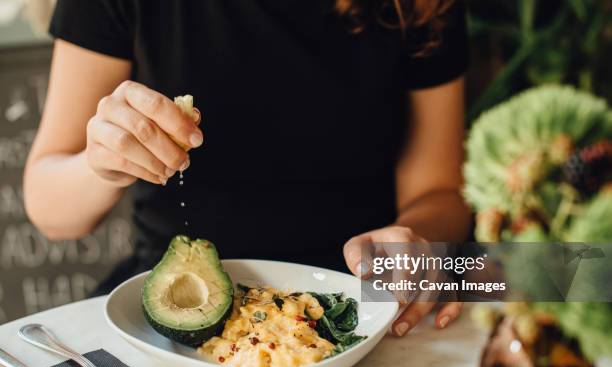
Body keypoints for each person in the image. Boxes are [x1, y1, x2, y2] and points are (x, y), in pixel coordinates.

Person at [23, 0, 471, 336]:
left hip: (361, 304)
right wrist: (103, 164)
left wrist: (416, 239)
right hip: (167, 314)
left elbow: (440, 192)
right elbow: (50, 207)